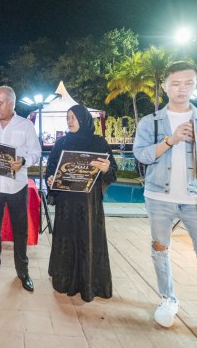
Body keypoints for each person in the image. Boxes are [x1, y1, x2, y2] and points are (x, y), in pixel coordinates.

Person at [133, 61, 197, 328]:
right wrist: (171, 140)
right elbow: (141, 155)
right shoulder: (151, 122)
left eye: (188, 83)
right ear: (165, 86)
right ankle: (168, 298)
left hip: (194, 199)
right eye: (176, 83)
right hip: (159, 197)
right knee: (160, 249)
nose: (183, 89)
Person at [45, 104, 117, 302]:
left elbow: (112, 173)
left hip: (89, 205)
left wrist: (106, 169)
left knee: (88, 239)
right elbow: (51, 169)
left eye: (73, 117)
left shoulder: (99, 143)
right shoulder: (61, 143)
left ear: (83, 119)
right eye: (67, 117)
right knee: (66, 238)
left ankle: (89, 282)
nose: (69, 121)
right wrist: (50, 179)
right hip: (66, 204)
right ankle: (64, 279)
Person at [0, 86, 41, 292]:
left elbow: (36, 153)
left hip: (16, 186)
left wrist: (23, 161)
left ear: (11, 103)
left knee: (20, 230)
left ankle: (23, 271)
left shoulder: (26, 125)